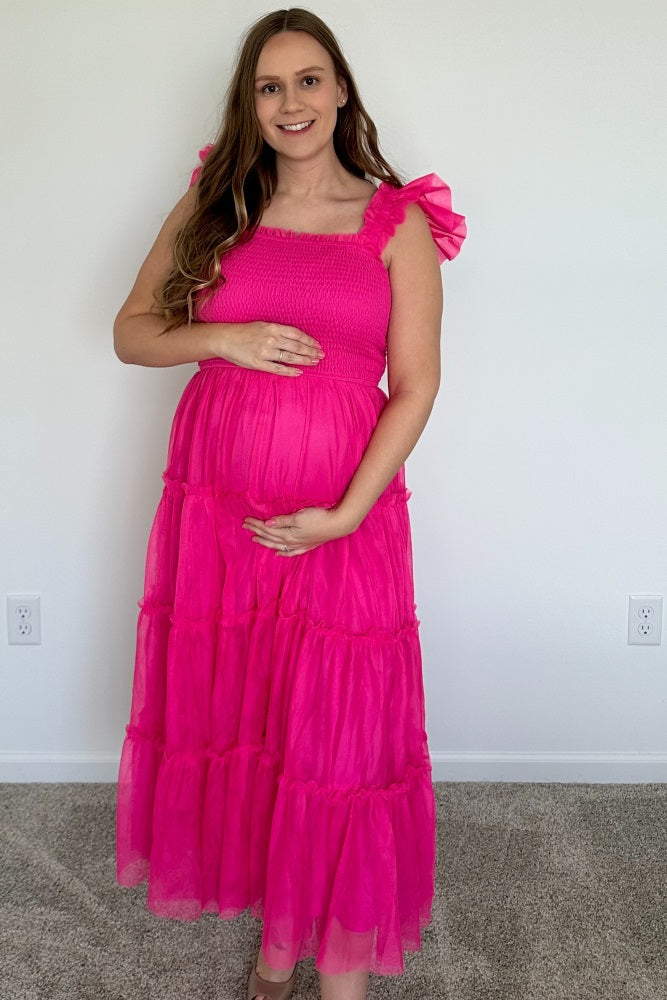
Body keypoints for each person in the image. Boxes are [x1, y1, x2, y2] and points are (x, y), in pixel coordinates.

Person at [114, 8, 466, 1000]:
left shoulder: (396, 222)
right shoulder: (217, 202)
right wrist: (220, 338)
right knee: (259, 727)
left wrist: (345, 514)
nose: (291, 103)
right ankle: (276, 950)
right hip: (221, 522)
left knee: (341, 739)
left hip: (340, 521)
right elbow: (133, 332)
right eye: (269, 87)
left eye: (309, 80)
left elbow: (416, 386)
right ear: (250, 104)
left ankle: (340, 966)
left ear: (341, 89)